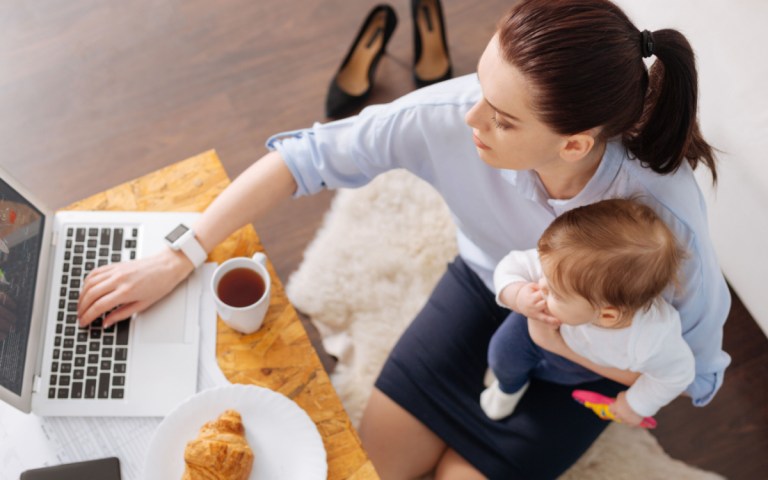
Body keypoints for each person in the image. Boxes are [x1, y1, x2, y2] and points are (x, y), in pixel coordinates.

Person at [77, 0, 731, 478]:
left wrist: (562, 343)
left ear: (575, 144)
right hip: (487, 287)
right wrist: (178, 255)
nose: (469, 118)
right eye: (481, 87)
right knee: (374, 466)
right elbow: (302, 159)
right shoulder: (454, 116)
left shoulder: (662, 217)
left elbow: (692, 367)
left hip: (593, 357)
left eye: (502, 119)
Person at [481, 198, 695, 427]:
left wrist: (635, 405)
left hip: (582, 362)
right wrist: (518, 295)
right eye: (543, 274)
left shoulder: (651, 337)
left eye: (556, 293)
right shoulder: (565, 264)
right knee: (502, 354)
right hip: (538, 321)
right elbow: (512, 265)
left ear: (607, 316)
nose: (541, 284)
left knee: (555, 376)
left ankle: (523, 376)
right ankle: (508, 386)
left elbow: (677, 375)